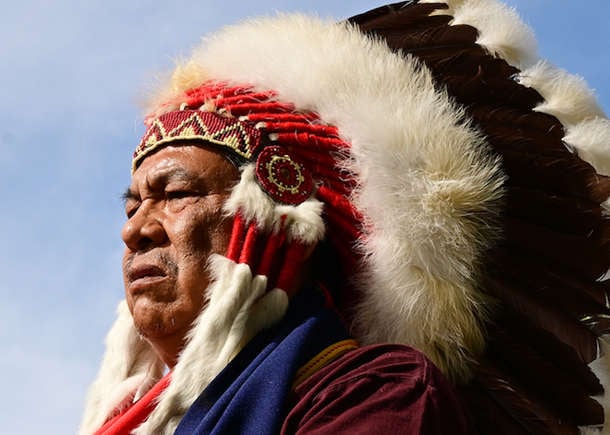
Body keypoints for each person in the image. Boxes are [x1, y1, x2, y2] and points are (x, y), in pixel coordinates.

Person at [81, 1, 610, 434]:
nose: (135, 229)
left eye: (174, 193)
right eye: (132, 205)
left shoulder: (373, 396)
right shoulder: (139, 420)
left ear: (276, 223)